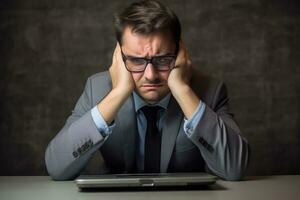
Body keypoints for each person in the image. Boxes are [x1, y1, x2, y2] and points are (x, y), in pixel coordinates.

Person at [45, 0, 249, 181]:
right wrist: (118, 93)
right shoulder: (97, 89)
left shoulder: (209, 90)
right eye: (135, 60)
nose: (150, 75)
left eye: (162, 60)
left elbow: (235, 168)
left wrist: (182, 89)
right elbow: (57, 166)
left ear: (179, 53)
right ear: (119, 56)